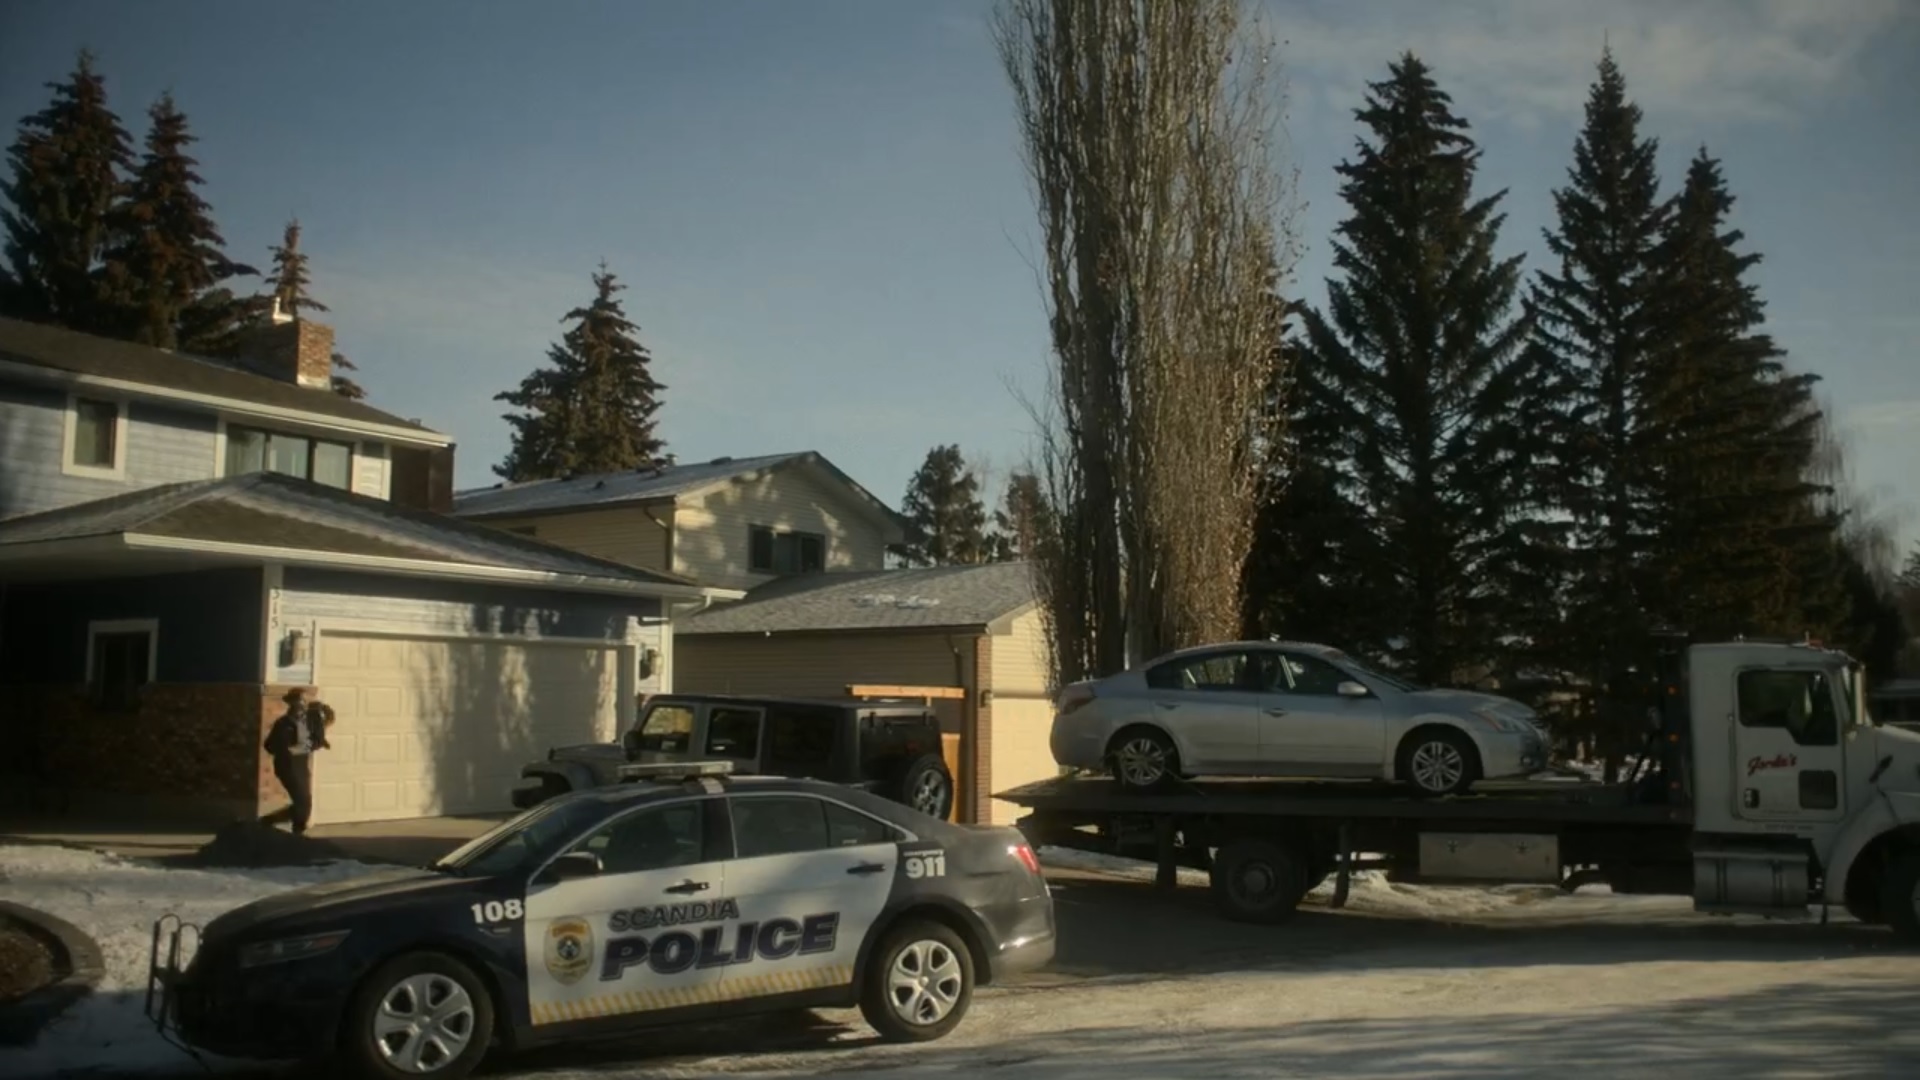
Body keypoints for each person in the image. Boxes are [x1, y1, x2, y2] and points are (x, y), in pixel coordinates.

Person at [264, 688, 335, 834]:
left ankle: (271, 821)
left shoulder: (312, 720)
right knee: (302, 801)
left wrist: (304, 747)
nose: (300, 705)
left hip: (301, 765)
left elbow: (318, 740)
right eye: (297, 702)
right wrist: (285, 749)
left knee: (304, 802)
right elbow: (269, 746)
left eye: (303, 701)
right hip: (286, 765)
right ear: (291, 704)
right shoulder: (283, 723)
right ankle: (295, 830)